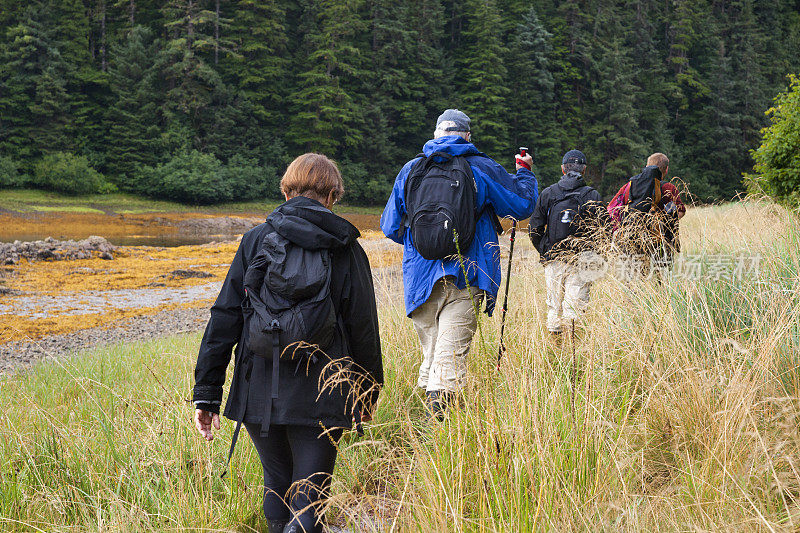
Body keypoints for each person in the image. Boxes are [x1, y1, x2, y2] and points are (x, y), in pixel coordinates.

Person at [192, 153, 383, 533]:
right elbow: (363, 326)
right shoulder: (346, 246)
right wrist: (366, 392)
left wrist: (207, 393)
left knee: (276, 485)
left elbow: (225, 316)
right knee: (311, 496)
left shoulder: (255, 240)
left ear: (286, 189)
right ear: (332, 195)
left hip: (258, 388)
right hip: (324, 388)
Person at [380, 109, 537, 417]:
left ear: (437, 135)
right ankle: (439, 434)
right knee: (448, 359)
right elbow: (521, 206)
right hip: (469, 272)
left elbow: (390, 226)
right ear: (467, 137)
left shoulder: (411, 169)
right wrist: (525, 173)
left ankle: (423, 435)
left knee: (433, 355)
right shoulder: (481, 166)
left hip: (420, 278)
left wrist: (425, 243)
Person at [528, 150, 608, 335]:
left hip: (553, 259)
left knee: (554, 308)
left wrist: (545, 251)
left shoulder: (548, 193)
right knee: (575, 309)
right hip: (581, 261)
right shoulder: (592, 195)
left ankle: (555, 350)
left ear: (562, 169)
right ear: (584, 170)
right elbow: (604, 231)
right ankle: (571, 352)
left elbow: (534, 228)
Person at [608, 152, 686, 274]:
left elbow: (612, 209)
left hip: (632, 240)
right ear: (666, 170)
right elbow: (680, 212)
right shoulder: (668, 188)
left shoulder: (629, 185)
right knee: (661, 280)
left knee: (635, 280)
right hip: (660, 242)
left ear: (646, 166)